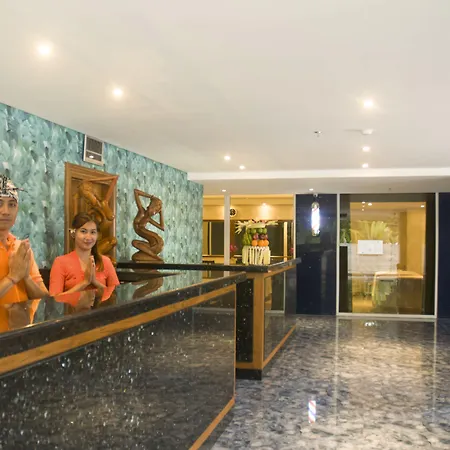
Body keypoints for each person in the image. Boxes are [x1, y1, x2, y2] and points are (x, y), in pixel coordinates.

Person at [0, 175, 48, 303]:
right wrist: (12, 278)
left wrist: (26, 277)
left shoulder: (20, 248)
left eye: (12, 204)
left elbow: (44, 296)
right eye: (0, 203)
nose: (6, 211)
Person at [49, 212, 119, 296]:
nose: (88, 237)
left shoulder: (105, 261)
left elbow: (116, 295)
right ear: (73, 233)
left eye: (92, 232)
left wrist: (95, 282)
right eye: (83, 231)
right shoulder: (60, 262)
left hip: (102, 305)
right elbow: (54, 298)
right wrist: (84, 283)